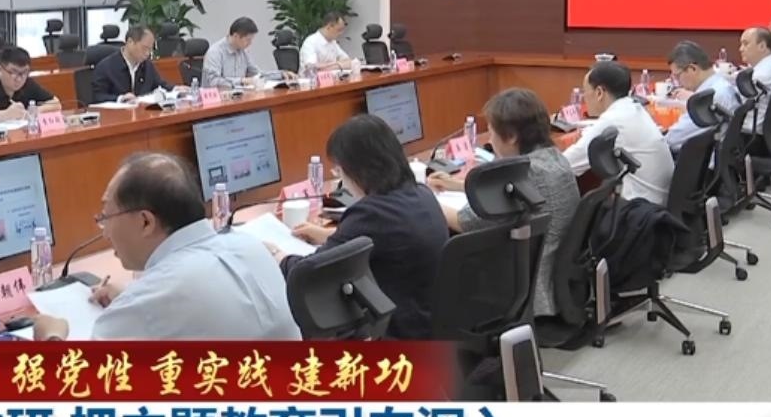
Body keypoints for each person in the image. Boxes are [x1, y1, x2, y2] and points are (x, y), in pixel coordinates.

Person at [17, 153, 299, 417]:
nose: (104, 230)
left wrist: (53, 334)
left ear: (145, 221)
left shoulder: (156, 294)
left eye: (105, 216)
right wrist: (133, 299)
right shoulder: (247, 246)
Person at [264, 114, 447, 340]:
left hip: (399, 336)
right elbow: (381, 237)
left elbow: (312, 272)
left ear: (359, 170)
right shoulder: (421, 193)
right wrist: (326, 234)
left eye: (340, 171)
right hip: (429, 325)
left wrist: (277, 255)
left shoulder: (371, 213)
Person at [426, 88, 578, 318]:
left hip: (526, 286)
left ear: (512, 136)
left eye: (492, 132)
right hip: (555, 278)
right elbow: (502, 191)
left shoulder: (523, 174)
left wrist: (425, 198)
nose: (490, 140)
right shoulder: (554, 158)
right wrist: (456, 185)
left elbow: (463, 221)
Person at [562, 62, 674, 205]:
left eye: (586, 92)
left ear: (599, 93)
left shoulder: (613, 120)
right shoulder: (634, 108)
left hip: (640, 209)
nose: (585, 98)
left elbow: (565, 165)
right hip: (659, 202)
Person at [664, 41, 742, 154]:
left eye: (677, 76)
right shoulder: (722, 85)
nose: (678, 82)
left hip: (703, 160)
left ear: (692, 69)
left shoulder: (708, 99)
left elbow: (673, 139)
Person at [0, 46, 61, 125]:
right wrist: (5, 115)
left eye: (24, 72)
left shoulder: (28, 83)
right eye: (13, 72)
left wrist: (32, 112)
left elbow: (56, 103)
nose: (19, 79)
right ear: (0, 70)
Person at [201, 17, 297, 88]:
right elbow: (213, 82)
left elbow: (257, 74)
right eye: (248, 40)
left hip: (238, 99)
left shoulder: (243, 52)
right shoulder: (215, 52)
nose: (250, 43)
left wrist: (281, 74)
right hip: (216, 103)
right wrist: (242, 81)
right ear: (236, 36)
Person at [91, 24, 172, 103]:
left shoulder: (147, 65)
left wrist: (174, 89)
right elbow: (97, 96)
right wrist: (120, 99)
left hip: (142, 110)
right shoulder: (105, 67)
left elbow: (160, 85)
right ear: (130, 42)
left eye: (150, 49)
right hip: (118, 111)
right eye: (144, 48)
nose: (147, 53)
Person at [737, 26, 771, 134]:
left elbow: (737, 105)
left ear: (762, 46)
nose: (741, 49)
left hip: (749, 130)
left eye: (746, 44)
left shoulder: (759, 77)